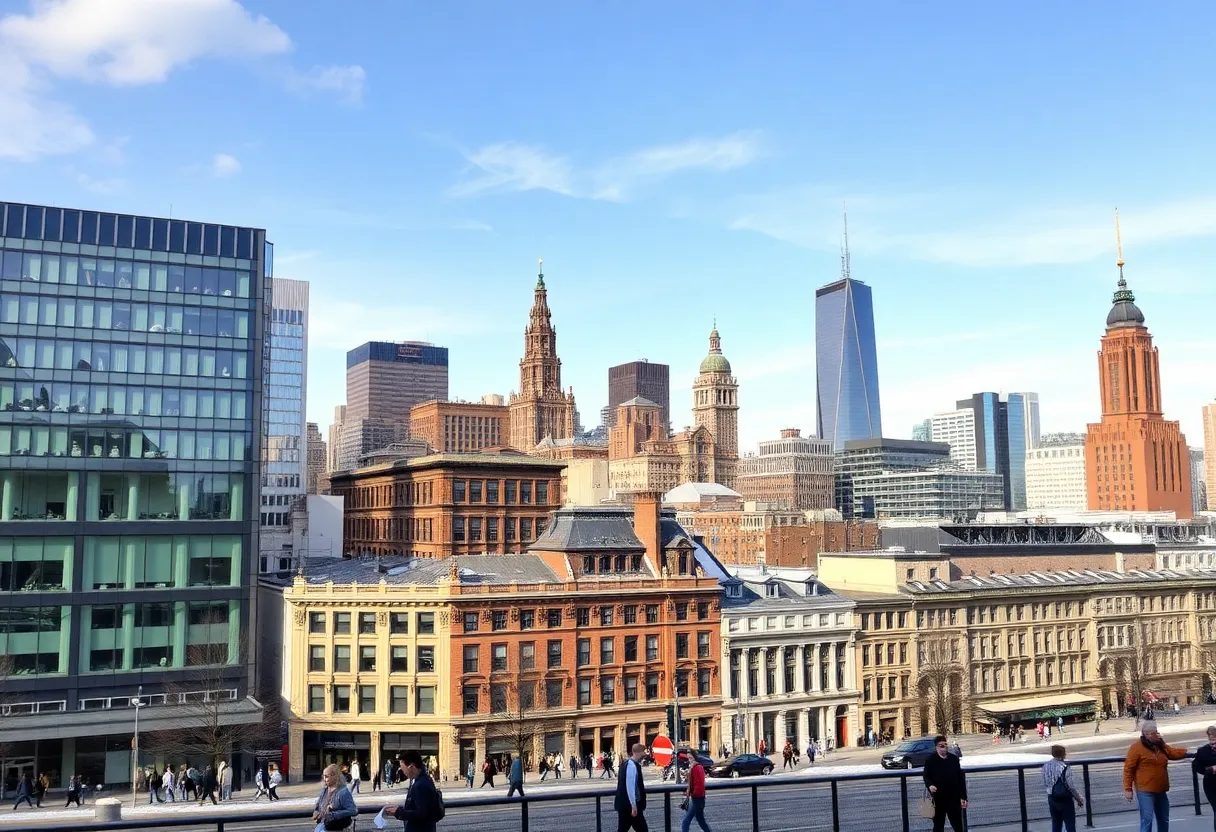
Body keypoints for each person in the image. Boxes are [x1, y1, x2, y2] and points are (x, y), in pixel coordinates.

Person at [1123, 719, 1187, 831]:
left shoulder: (1160, 745)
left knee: (1163, 819)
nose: (1157, 735)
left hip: (1161, 789)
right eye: (1154, 733)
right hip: (1145, 790)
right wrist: (1128, 788)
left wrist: (1185, 752)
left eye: (1157, 732)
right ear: (1146, 735)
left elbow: (1172, 753)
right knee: (1147, 819)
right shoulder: (1136, 748)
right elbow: (1128, 769)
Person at [383, 750, 441, 832]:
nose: (403, 772)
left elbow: (421, 813)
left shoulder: (420, 785)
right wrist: (398, 809)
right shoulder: (423, 780)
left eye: (403, 769)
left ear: (412, 766)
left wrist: (398, 812)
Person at [923, 735, 967, 832]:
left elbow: (960, 779)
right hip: (938, 798)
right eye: (941, 745)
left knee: (958, 825)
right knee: (938, 825)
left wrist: (963, 797)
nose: (944, 747)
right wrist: (930, 785)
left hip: (953, 798)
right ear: (936, 747)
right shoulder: (931, 760)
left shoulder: (953, 759)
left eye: (945, 745)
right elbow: (926, 776)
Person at [1042, 745, 1084, 832]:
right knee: (1070, 823)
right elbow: (1070, 785)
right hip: (1065, 798)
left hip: (1051, 797)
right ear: (1063, 754)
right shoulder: (1064, 767)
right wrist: (1078, 798)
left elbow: (1045, 782)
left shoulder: (1045, 766)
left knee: (1056, 823)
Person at [311, 763, 357, 832]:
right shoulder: (325, 790)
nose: (324, 779)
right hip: (322, 825)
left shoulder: (343, 792)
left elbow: (353, 810)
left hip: (336, 827)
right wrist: (316, 811)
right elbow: (318, 805)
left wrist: (334, 814)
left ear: (334, 776)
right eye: (323, 776)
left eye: (326, 776)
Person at [615, 743, 649, 832]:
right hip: (629, 806)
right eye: (643, 752)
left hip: (625, 805)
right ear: (637, 753)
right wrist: (633, 805)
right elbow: (630, 786)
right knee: (641, 829)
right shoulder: (632, 766)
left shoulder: (626, 764)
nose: (644, 755)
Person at [1192, 725, 1216, 830]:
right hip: (1211, 785)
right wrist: (1209, 770)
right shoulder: (1203, 751)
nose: (1213, 744)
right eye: (1211, 741)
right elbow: (1196, 766)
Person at [681, 752, 711, 832]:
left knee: (685, 821)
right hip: (700, 798)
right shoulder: (698, 767)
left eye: (691, 758)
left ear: (695, 758)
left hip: (696, 798)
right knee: (701, 820)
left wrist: (691, 793)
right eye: (688, 758)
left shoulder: (695, 767)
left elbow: (697, 783)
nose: (689, 760)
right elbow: (696, 782)